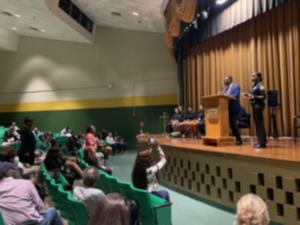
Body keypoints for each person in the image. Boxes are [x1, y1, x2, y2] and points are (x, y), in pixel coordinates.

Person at [244, 72, 267, 148]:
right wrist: (248, 96)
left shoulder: (260, 85)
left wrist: (253, 97)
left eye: (254, 76)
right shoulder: (254, 85)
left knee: (259, 124)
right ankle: (262, 141)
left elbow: (263, 96)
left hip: (259, 106)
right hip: (255, 106)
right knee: (258, 124)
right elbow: (254, 95)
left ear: (258, 77)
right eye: (252, 76)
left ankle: (262, 143)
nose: (252, 77)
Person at [222, 76, 242, 145]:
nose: (224, 81)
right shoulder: (225, 89)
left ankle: (239, 140)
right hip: (227, 109)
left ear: (230, 80)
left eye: (225, 80)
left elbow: (235, 95)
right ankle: (234, 139)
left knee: (233, 124)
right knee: (231, 124)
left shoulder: (236, 86)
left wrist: (225, 96)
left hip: (234, 108)